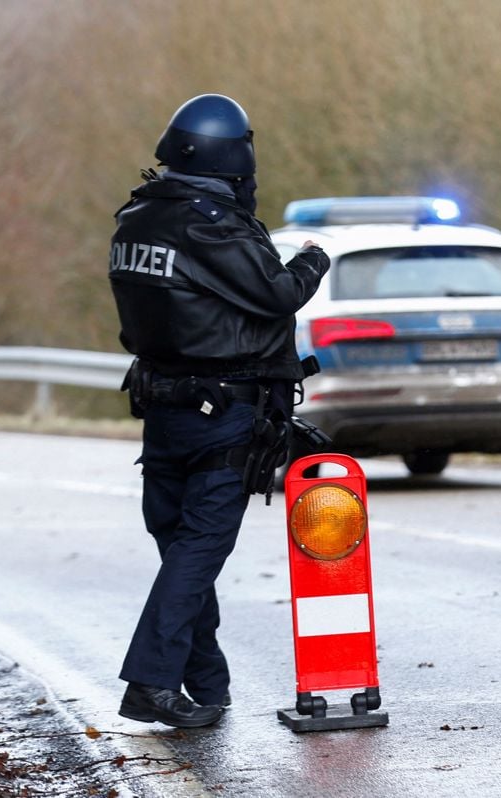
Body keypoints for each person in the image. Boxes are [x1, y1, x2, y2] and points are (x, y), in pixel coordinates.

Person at [109, 94, 330, 726]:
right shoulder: (212, 225)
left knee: (181, 549)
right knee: (198, 551)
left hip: (163, 408)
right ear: (235, 156)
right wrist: (314, 258)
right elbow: (278, 292)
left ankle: (205, 680)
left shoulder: (136, 219)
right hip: (223, 412)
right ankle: (150, 684)